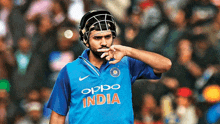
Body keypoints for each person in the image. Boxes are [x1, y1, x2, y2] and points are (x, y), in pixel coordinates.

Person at [46, 10, 172, 124]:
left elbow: (165, 65)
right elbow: (57, 116)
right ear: (86, 40)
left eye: (107, 37)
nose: (104, 42)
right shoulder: (70, 71)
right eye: (97, 38)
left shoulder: (125, 63)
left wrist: (128, 51)